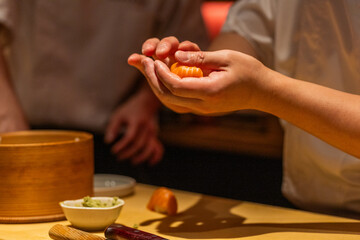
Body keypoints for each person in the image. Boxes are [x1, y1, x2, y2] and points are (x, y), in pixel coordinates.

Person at [128, 0, 360, 218]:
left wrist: (263, 91)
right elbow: (245, 32)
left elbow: (258, 85)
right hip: (305, 203)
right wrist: (198, 76)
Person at [0, 0, 208, 169]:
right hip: (24, 126)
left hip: (119, 135)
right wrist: (6, 115)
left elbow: (185, 41)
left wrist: (146, 100)